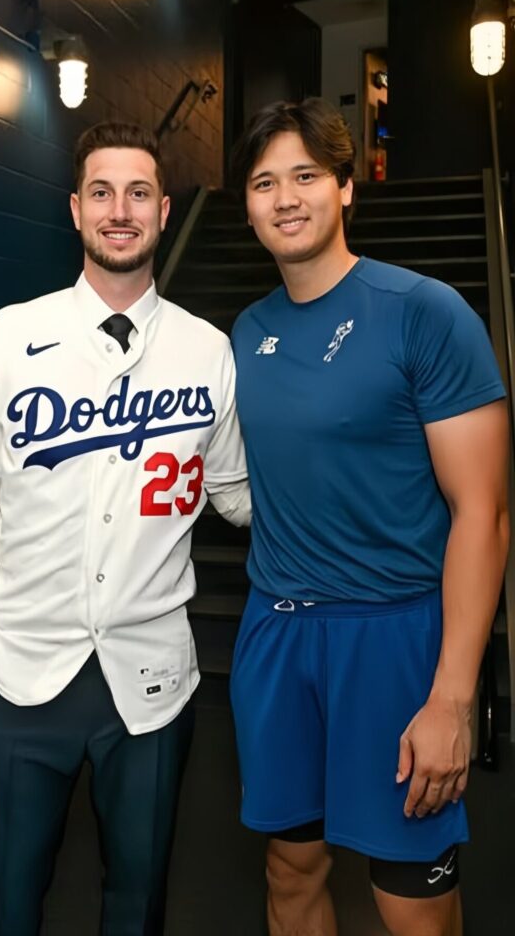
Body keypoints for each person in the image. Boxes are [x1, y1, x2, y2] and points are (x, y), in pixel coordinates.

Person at [0, 120, 250, 936]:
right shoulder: (8, 336)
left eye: (139, 193)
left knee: (137, 905)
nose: (121, 210)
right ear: (76, 210)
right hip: (19, 672)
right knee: (6, 906)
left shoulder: (209, 351)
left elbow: (238, 495)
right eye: (102, 193)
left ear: (163, 211)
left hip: (152, 678)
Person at [229, 98, 509, 936]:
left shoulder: (425, 312)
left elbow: (484, 513)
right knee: (290, 870)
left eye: (306, 176)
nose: (285, 198)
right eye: (264, 183)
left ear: (346, 187)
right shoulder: (245, 332)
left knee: (411, 903)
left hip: (393, 640)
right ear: (246, 205)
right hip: (278, 636)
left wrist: (452, 696)